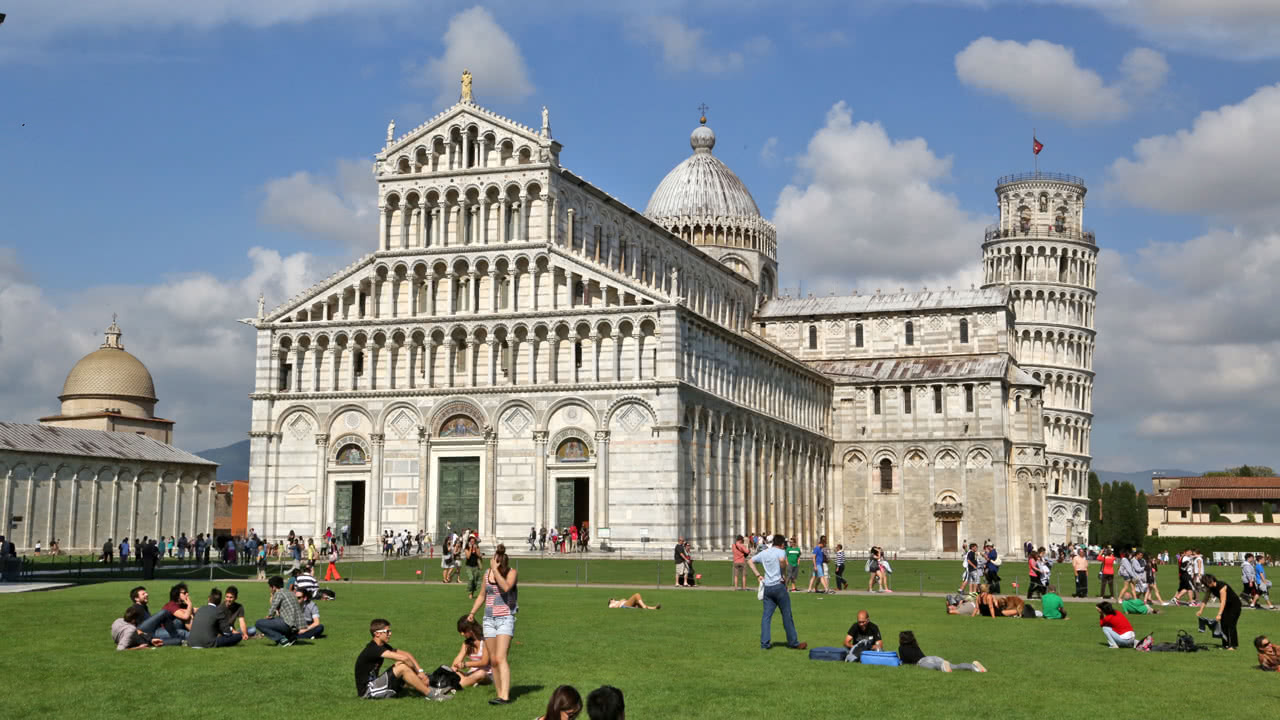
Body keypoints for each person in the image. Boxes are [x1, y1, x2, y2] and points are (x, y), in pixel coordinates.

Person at [466, 543, 518, 705]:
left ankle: (505, 696)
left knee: (501, 657)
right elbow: (482, 595)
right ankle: (499, 694)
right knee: (493, 659)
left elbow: (506, 587)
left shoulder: (511, 573)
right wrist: (472, 612)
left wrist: (495, 571)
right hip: (489, 620)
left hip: (505, 618)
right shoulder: (487, 574)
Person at [749, 534, 806, 651]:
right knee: (786, 615)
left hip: (768, 588)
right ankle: (793, 642)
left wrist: (758, 575)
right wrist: (783, 571)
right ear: (781, 544)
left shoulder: (764, 552)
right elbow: (782, 562)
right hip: (779, 586)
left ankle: (764, 644)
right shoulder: (781, 552)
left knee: (766, 617)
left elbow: (750, 561)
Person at [354, 618, 434, 699]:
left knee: (399, 664)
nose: (390, 634)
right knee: (402, 667)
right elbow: (404, 658)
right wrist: (419, 675)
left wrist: (421, 671)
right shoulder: (373, 649)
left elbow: (406, 654)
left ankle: (428, 686)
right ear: (377, 634)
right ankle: (431, 694)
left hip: (374, 686)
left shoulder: (382, 646)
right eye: (387, 632)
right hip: (367, 691)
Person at [896, 631, 986, 673]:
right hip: (931, 657)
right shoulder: (915, 645)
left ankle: (943, 667)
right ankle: (973, 667)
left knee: (935, 667)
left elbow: (905, 661)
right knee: (954, 666)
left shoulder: (901, 648)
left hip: (921, 662)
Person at [255, 575, 305, 646]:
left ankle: (281, 639)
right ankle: (290, 637)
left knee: (259, 623)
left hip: (288, 625)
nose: (270, 589)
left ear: (274, 587)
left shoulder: (279, 593)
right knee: (277, 620)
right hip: (297, 626)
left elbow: (271, 612)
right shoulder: (290, 592)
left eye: (270, 587)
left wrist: (268, 617)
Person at [1197, 573, 1241, 650]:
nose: (1205, 586)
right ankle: (1225, 645)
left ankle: (1233, 646)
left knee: (1231, 624)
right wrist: (1201, 610)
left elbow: (1223, 601)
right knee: (1223, 624)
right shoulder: (1210, 588)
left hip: (1234, 605)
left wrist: (1219, 614)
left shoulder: (1222, 587)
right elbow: (1205, 599)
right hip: (1226, 606)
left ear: (1210, 581)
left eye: (1205, 584)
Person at [450, 616, 492, 690]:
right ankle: (471, 682)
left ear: (470, 629)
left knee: (480, 673)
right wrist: (453, 668)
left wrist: (466, 664)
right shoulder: (467, 643)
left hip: (487, 674)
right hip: (471, 674)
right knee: (453, 671)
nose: (462, 634)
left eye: (463, 631)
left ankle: (454, 687)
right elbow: (458, 658)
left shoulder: (486, 641)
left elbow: (484, 662)